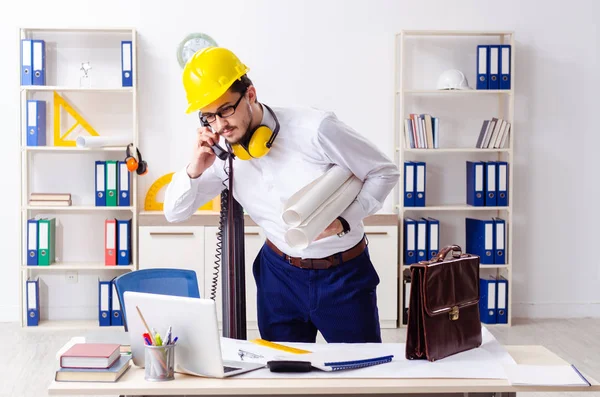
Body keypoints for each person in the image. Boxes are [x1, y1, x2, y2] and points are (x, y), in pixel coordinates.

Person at [164, 47, 400, 343]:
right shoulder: (221, 156)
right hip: (278, 277)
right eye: (208, 117)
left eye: (225, 109)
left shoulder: (315, 129)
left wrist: (343, 220)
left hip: (343, 275)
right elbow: (174, 212)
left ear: (250, 94)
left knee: (359, 374)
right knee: (283, 376)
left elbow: (384, 172)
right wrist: (194, 169)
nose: (219, 125)